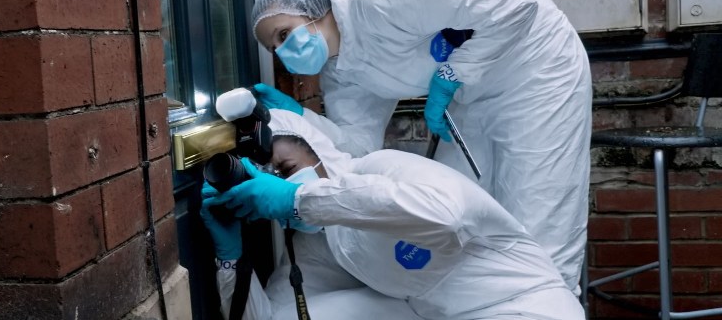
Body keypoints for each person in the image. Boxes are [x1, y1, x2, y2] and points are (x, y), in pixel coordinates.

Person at [247, 0, 592, 293]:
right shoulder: (341, 71)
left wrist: (452, 73)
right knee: (469, 212)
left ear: (313, 8)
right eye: (273, 48)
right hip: (471, 96)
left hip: (538, 69)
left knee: (541, 221)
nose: (282, 52)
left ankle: (553, 301)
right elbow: (357, 145)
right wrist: (303, 120)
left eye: (283, 34)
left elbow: (517, 5)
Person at [202, 110, 584, 320]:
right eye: (268, 180)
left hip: (524, 306)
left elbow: (445, 214)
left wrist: (299, 198)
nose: (281, 184)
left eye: (285, 168)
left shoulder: (380, 168)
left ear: (319, 151)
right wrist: (230, 259)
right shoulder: (312, 246)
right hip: (426, 311)